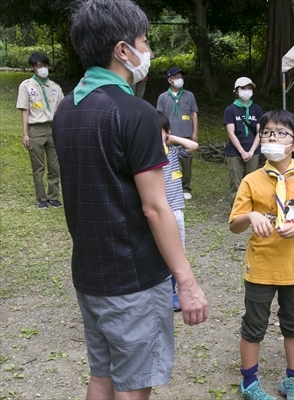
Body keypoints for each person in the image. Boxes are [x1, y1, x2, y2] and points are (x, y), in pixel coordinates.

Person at [52, 1, 209, 399]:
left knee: (101, 375)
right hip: (134, 279)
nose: (147, 50)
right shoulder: (135, 112)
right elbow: (156, 207)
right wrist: (186, 283)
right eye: (144, 41)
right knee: (134, 386)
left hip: (89, 273)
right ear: (123, 50)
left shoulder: (66, 108)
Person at [229, 109, 294, 400]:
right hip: (261, 267)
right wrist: (252, 215)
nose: (272, 137)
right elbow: (234, 225)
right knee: (254, 324)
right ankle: (249, 382)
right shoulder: (252, 181)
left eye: (280, 133)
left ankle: (293, 380)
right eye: (267, 132)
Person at [158, 111, 199, 311]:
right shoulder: (145, 155)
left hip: (175, 211)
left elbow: (193, 146)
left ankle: (173, 292)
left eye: (160, 132)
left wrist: (170, 138)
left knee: (177, 252)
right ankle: (160, 292)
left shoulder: (173, 152)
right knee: (157, 252)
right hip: (158, 211)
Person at [16, 51, 64, 209]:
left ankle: (53, 196)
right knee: (38, 167)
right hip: (36, 129)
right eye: (39, 66)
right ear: (32, 68)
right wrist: (25, 134)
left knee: (54, 165)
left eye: (45, 65)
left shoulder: (55, 87)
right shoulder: (26, 86)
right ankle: (42, 198)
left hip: (53, 128)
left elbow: (62, 109)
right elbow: (25, 111)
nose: (43, 69)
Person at [156, 66, 198, 200]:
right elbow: (159, 116)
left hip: (185, 134)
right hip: (169, 136)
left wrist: (194, 131)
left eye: (181, 77)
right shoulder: (163, 97)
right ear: (170, 80)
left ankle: (186, 188)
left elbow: (194, 114)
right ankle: (168, 186)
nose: (180, 80)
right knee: (168, 163)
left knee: (187, 163)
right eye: (177, 77)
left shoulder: (189, 95)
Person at [224, 77, 263, 205]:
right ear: (236, 91)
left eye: (249, 88)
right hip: (235, 151)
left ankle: (250, 208)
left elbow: (260, 132)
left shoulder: (257, 109)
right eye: (243, 88)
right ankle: (237, 212)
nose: (246, 91)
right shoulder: (230, 110)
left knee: (251, 181)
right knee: (236, 182)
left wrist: (251, 151)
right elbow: (231, 132)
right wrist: (242, 151)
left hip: (253, 150)